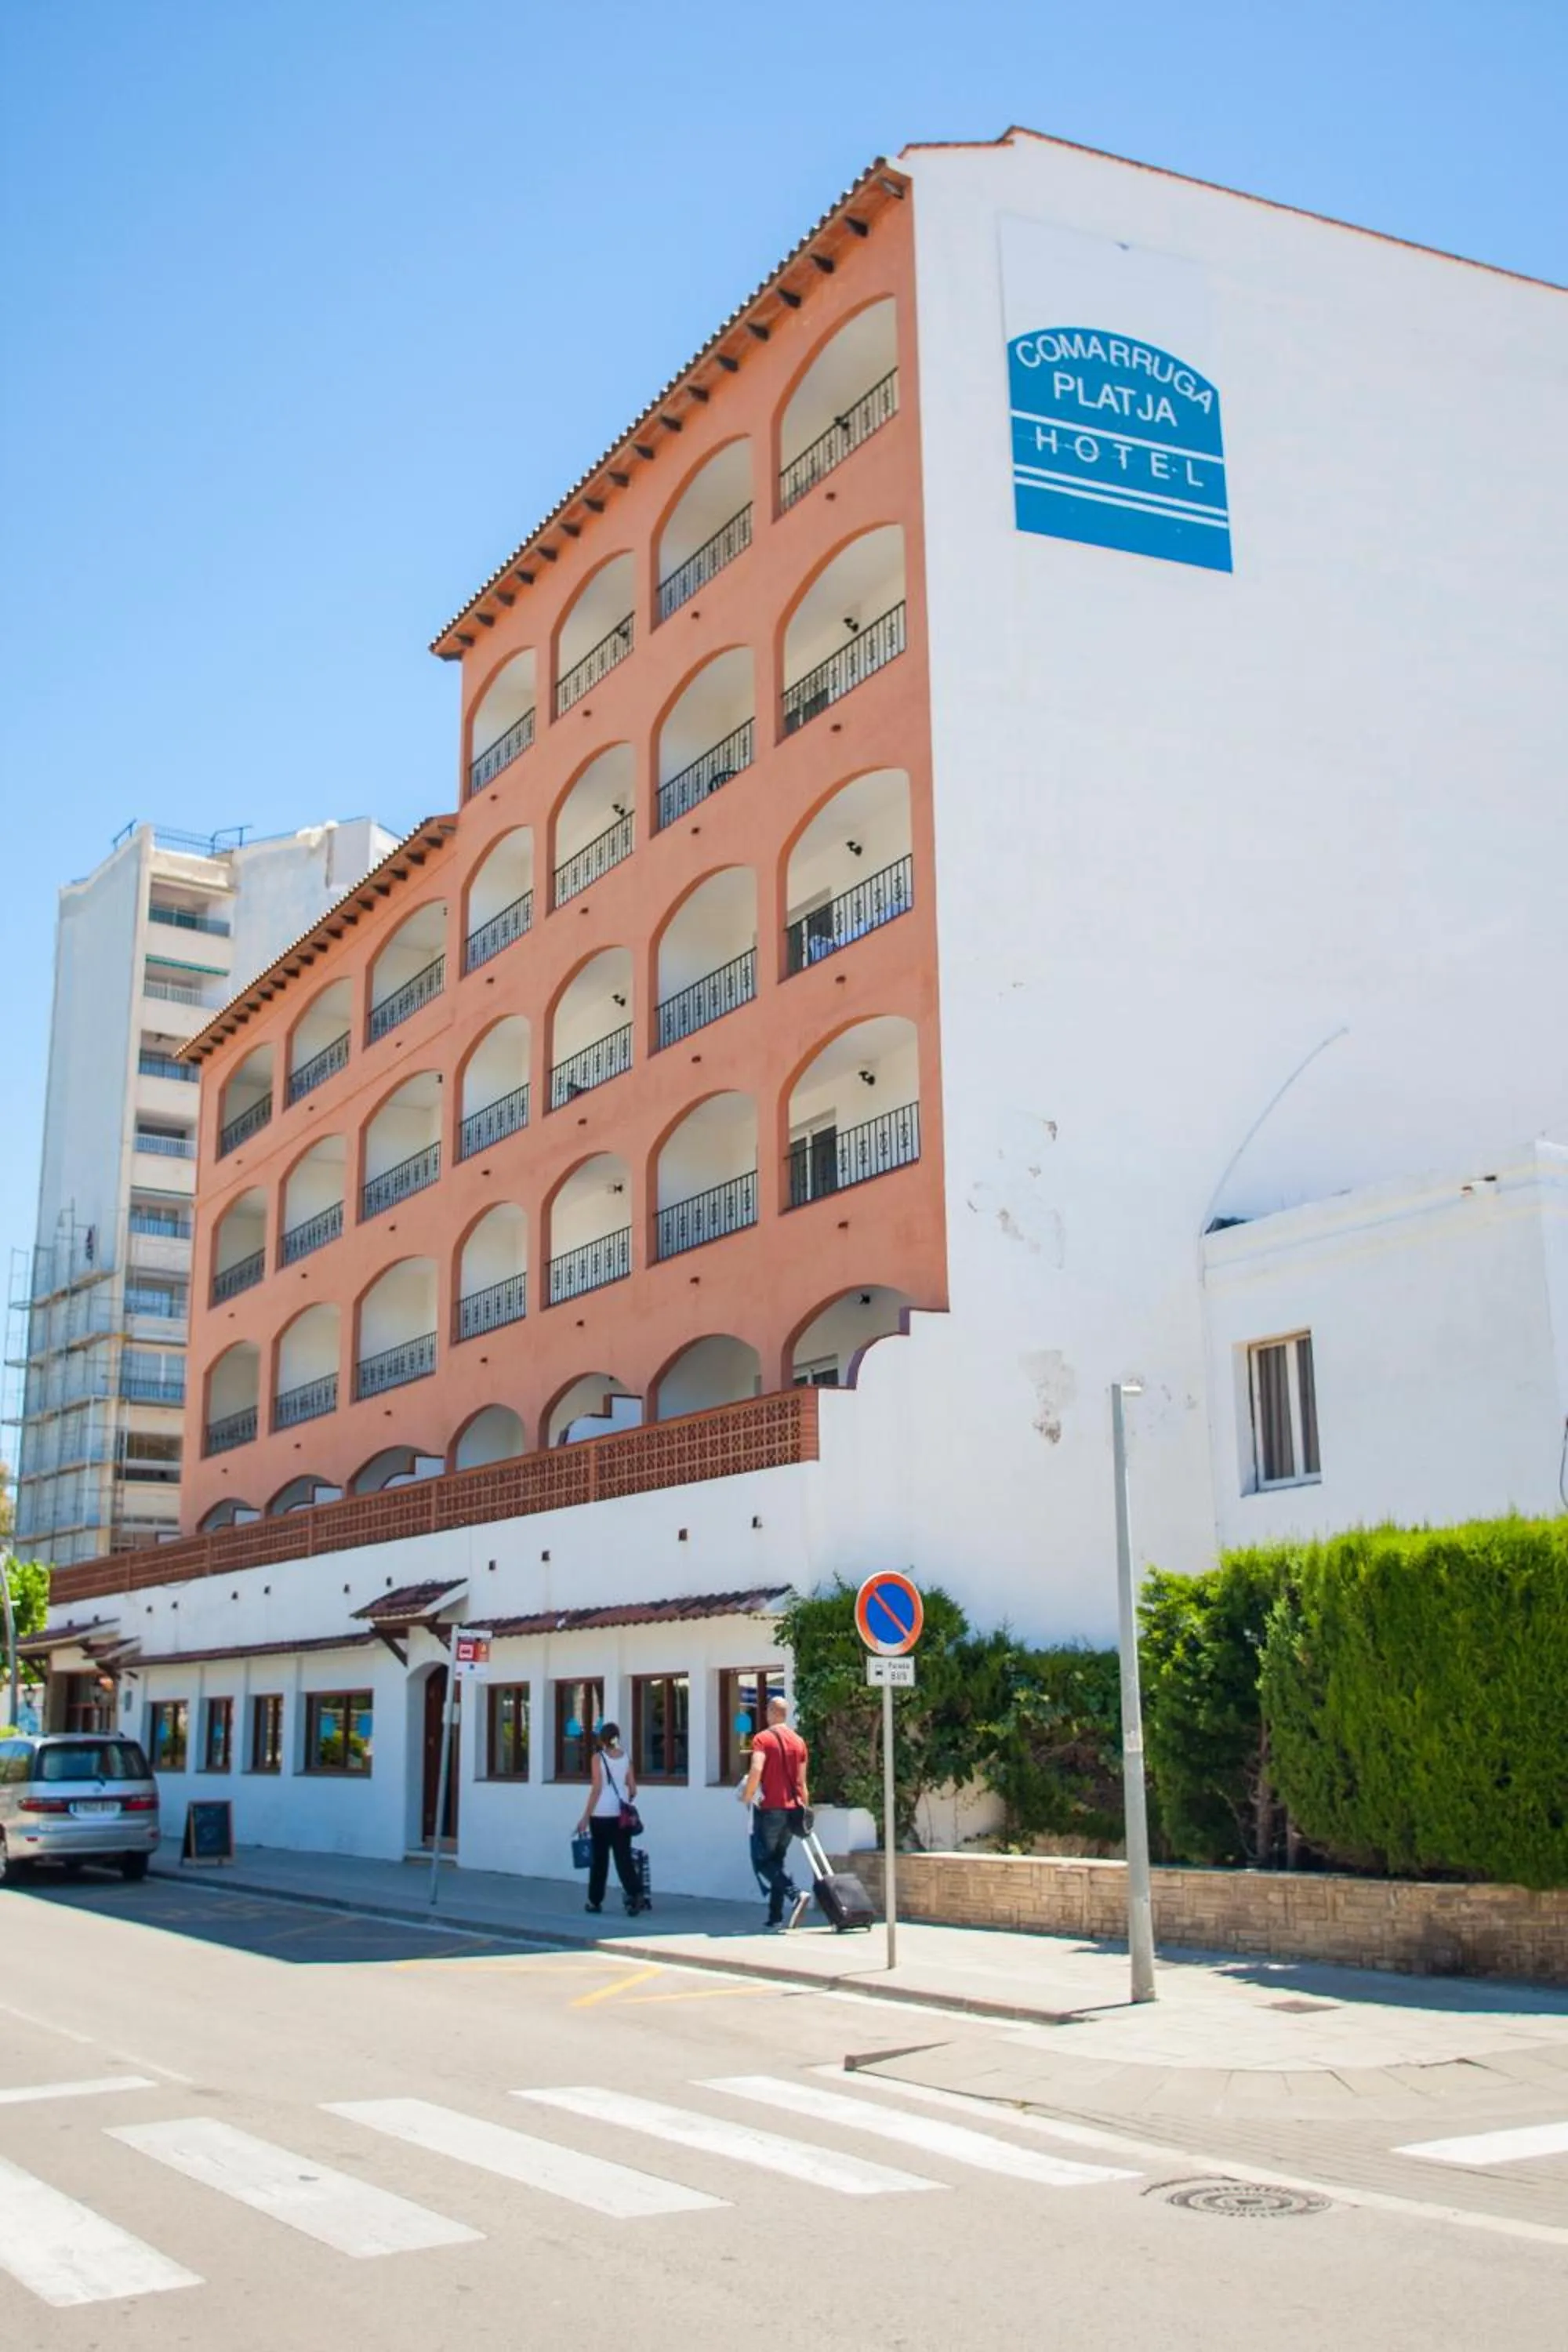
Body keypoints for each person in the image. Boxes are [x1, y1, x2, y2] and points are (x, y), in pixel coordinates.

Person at [739, 1696, 811, 1929]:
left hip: (771, 1808)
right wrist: (804, 1809)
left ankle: (795, 1894)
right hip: (793, 1809)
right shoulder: (799, 1742)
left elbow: (757, 1768)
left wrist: (748, 1795)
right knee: (777, 1861)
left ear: (771, 1712)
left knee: (762, 1861)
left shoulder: (762, 1739)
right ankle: (775, 1916)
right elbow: (802, 1781)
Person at [576, 1722, 646, 1916]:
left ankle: (595, 1900)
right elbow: (633, 1789)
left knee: (599, 1860)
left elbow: (597, 1788)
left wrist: (585, 1816)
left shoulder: (598, 1758)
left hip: (600, 1814)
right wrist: (625, 1800)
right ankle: (635, 1894)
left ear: (602, 1739)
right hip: (621, 1815)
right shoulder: (626, 1758)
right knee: (623, 1857)